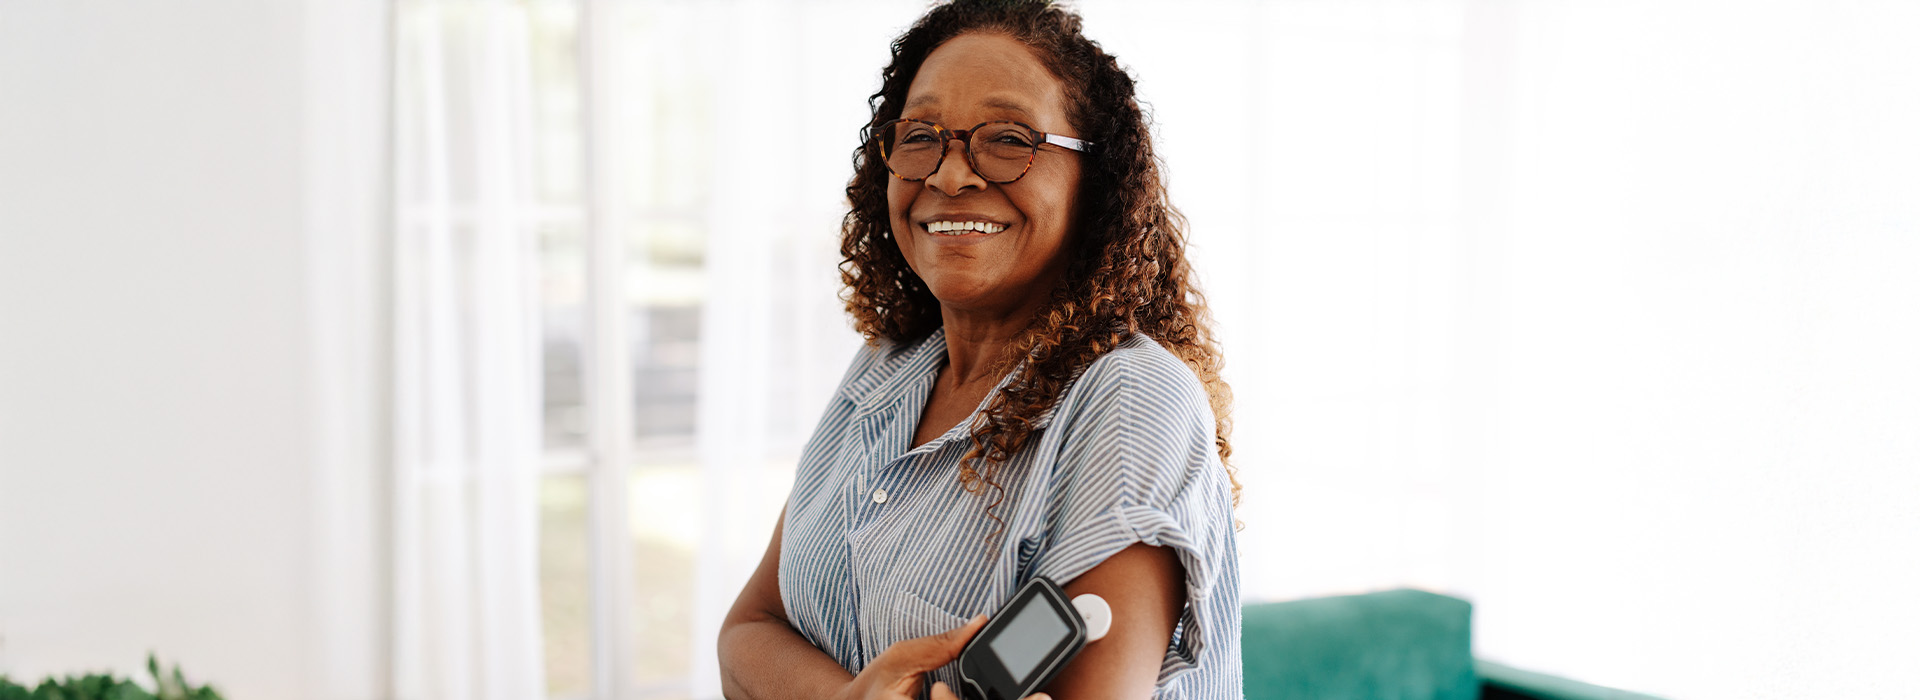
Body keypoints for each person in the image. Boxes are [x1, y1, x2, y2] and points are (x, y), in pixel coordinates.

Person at [717, 1, 1241, 698]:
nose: (951, 175)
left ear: (1095, 180)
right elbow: (746, 633)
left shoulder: (1133, 400)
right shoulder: (888, 365)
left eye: (1007, 138)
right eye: (921, 135)